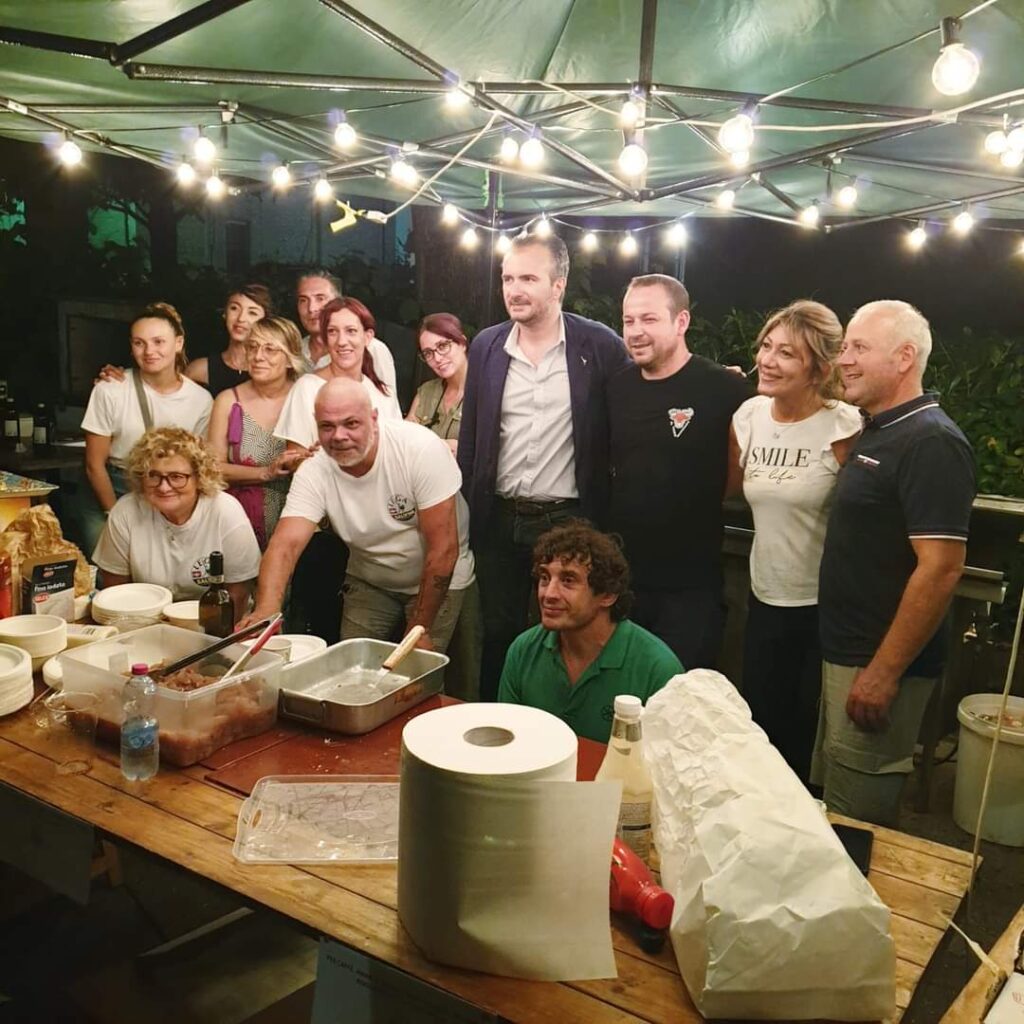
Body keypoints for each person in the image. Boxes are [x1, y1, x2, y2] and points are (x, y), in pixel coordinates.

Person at [814, 300, 975, 826]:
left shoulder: (931, 441)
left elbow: (941, 568)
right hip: (849, 651)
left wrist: (883, 673)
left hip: (878, 663)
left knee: (858, 818)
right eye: (845, 347)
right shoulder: (881, 428)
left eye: (859, 347)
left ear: (904, 357)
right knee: (839, 796)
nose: (844, 359)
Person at [458, 233, 631, 700]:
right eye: (507, 279)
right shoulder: (487, 345)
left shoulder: (598, 345)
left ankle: (558, 725)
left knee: (565, 635)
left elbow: (632, 413)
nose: (514, 290)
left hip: (568, 521)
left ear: (558, 285)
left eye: (528, 279)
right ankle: (494, 724)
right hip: (498, 518)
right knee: (496, 633)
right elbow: (471, 439)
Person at [727, 300, 861, 782]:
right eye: (766, 346)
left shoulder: (846, 425)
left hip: (822, 607)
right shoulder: (749, 416)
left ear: (819, 369)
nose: (767, 360)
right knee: (762, 725)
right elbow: (730, 488)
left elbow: (864, 516)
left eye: (787, 353)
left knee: (807, 740)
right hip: (764, 597)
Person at [241, 379, 474, 652]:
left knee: (418, 669)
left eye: (351, 423)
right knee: (352, 667)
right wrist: (266, 613)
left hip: (436, 578)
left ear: (373, 419)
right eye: (327, 426)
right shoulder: (315, 469)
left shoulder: (420, 449)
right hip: (370, 578)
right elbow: (285, 546)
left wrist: (419, 628)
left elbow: (444, 549)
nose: (339, 436)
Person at [608, 274, 751, 670]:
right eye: (629, 320)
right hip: (622, 583)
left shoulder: (724, 388)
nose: (636, 331)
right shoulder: (615, 388)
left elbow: (743, 468)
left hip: (692, 588)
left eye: (649, 319)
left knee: (679, 696)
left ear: (681, 321)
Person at [498, 522, 681, 743]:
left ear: (608, 595)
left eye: (568, 581)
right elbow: (506, 743)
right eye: (545, 578)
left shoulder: (659, 669)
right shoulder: (523, 650)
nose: (548, 594)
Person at [81, 303, 212, 555]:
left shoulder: (201, 400)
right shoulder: (110, 390)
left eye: (158, 342)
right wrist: (114, 516)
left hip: (169, 491)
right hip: (112, 487)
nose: (149, 351)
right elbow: (94, 465)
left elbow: (199, 466)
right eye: (139, 343)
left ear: (178, 343)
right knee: (110, 569)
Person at [93, 427, 261, 620]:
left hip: (216, 622)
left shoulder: (226, 511)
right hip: (145, 622)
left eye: (177, 477)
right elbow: (116, 592)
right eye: (153, 475)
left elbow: (238, 594)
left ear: (200, 477)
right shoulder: (125, 512)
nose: (164, 487)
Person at [206, 317, 309, 549]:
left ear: (290, 359)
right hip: (239, 519)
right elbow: (211, 468)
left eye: (270, 349)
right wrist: (265, 473)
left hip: (296, 518)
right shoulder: (228, 400)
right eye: (252, 347)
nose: (258, 356)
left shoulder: (305, 398)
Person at [275, 297, 401, 451]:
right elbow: (296, 458)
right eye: (332, 332)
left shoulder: (383, 393)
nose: (341, 341)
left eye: (351, 331)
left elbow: (395, 451)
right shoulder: (307, 388)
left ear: (367, 337)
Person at [295, 270, 396, 390]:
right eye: (303, 300)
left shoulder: (371, 348)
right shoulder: (295, 351)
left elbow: (386, 399)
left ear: (337, 302)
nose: (311, 308)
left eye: (320, 298)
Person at [185, 283, 273, 393]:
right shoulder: (199, 370)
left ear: (266, 322)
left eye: (252, 313)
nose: (241, 318)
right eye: (234, 308)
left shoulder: (272, 373)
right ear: (224, 313)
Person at [407, 312, 468, 455]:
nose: (437, 358)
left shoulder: (487, 392)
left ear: (462, 343)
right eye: (428, 353)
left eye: (442, 346)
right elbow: (406, 444)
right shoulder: (426, 392)